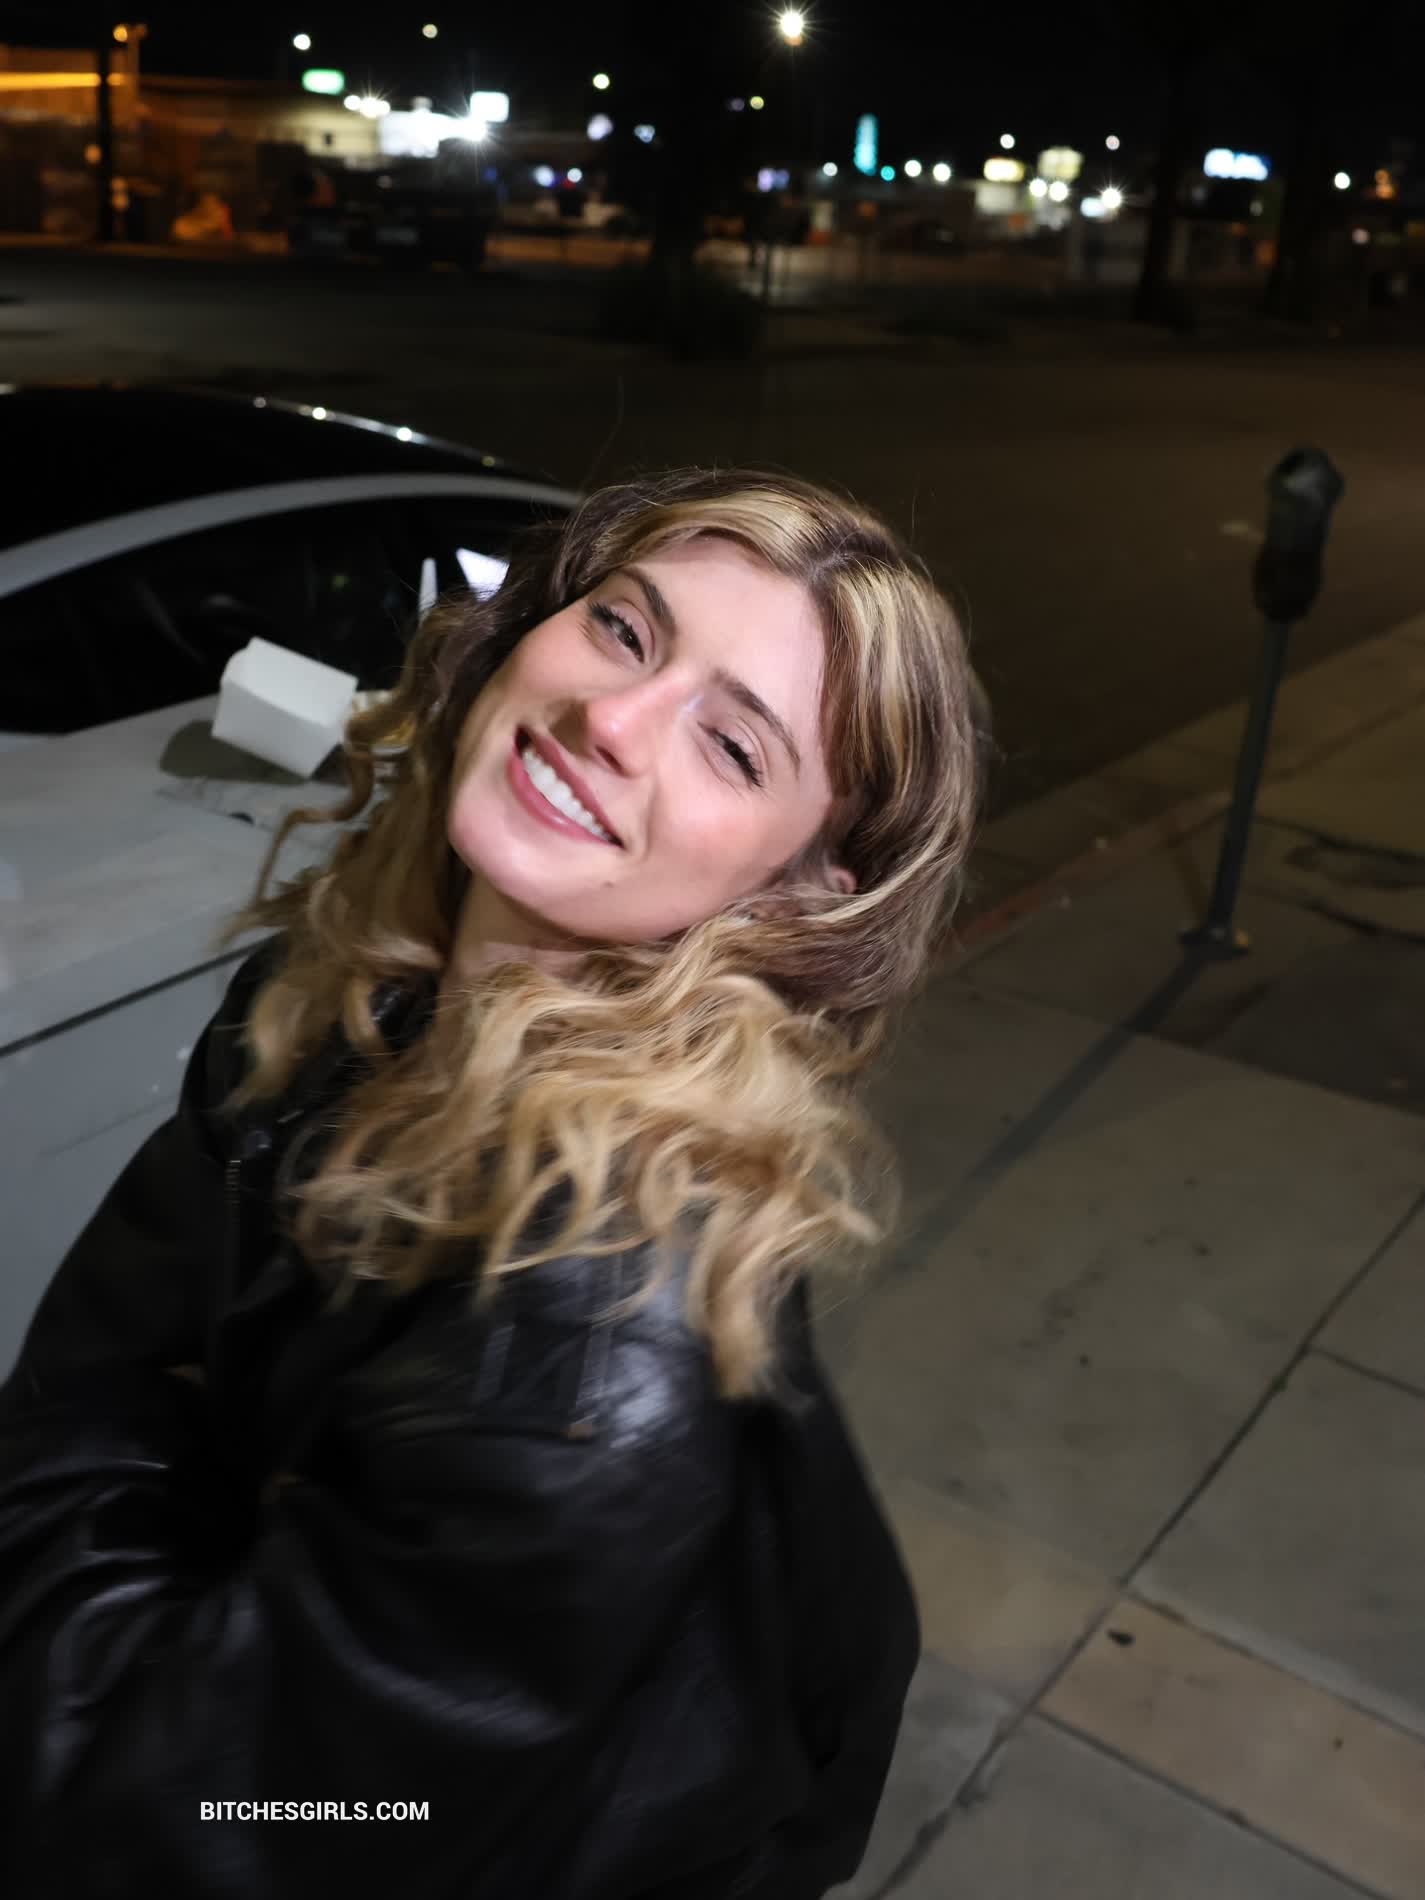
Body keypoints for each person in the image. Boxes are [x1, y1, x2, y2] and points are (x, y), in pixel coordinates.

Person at [0, 468, 985, 1898]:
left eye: (731, 746)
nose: (612, 719)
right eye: (624, 629)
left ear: (796, 898)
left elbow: (209, 1822)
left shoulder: (580, 1348)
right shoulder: (344, 999)